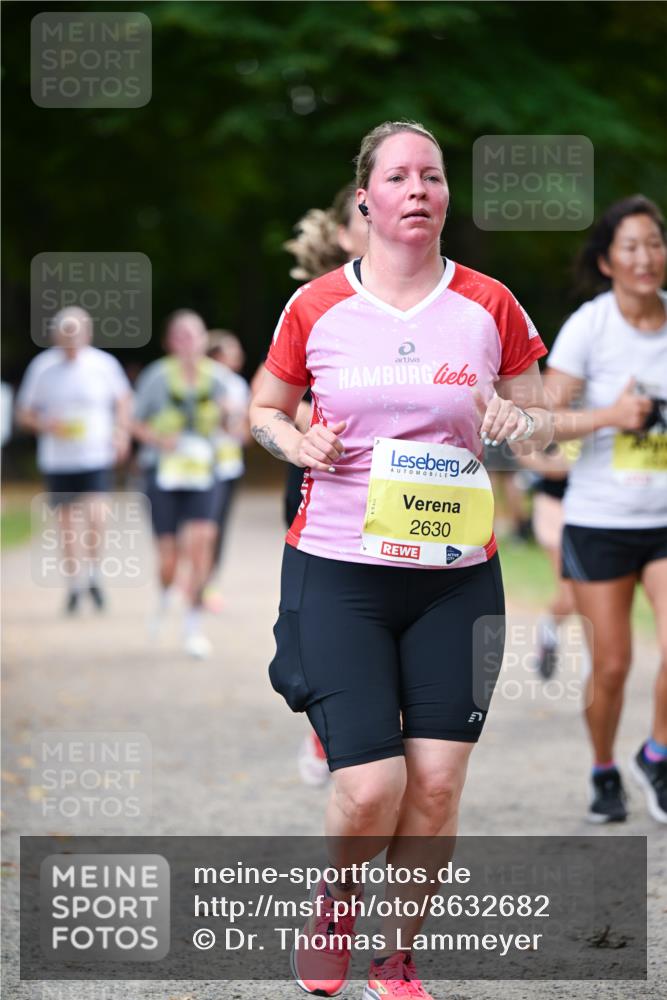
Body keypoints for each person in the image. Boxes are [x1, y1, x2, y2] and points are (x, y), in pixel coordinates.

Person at [250, 120, 552, 1000]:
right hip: (338, 571)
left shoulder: (489, 304)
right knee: (370, 788)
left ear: (445, 195)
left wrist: (521, 422)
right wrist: (294, 441)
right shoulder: (316, 307)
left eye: (432, 175)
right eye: (398, 176)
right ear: (364, 200)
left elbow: (541, 416)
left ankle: (395, 958)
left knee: (437, 786)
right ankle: (338, 898)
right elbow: (262, 408)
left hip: (456, 580)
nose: (418, 188)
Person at [545, 194, 667, 824]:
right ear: (606, 261)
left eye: (655, 243)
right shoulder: (589, 327)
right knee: (613, 665)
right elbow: (544, 422)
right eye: (631, 247)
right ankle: (602, 767)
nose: (646, 257)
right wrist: (611, 416)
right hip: (601, 520)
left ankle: (656, 753)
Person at [282, 183, 369, 787]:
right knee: (339, 616)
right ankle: (328, 725)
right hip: (324, 472)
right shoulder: (314, 303)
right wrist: (315, 430)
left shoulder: (430, 302)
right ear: (343, 235)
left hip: (405, 484)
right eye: (363, 216)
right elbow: (274, 398)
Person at [15, 306, 132, 612]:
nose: (70, 341)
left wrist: (121, 433)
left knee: (97, 515)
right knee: (67, 524)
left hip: (95, 454)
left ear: (87, 334)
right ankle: (75, 584)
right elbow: (24, 413)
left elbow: (123, 400)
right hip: (58, 459)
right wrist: (45, 424)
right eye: (65, 335)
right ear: (55, 336)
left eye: (76, 334)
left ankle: (93, 572)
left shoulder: (103, 364)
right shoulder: (42, 367)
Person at [132, 309, 229, 659]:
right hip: (163, 474)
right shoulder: (156, 377)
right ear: (169, 341)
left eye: (194, 334)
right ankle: (163, 598)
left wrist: (230, 415)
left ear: (204, 339)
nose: (188, 342)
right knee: (169, 558)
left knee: (200, 546)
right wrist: (159, 439)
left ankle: (193, 627)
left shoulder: (218, 379)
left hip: (203, 472)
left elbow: (237, 427)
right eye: (181, 335)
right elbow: (134, 422)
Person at [518, 444, 577, 678]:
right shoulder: (549, 425)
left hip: (597, 514)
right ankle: (548, 629)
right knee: (570, 594)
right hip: (554, 509)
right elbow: (551, 468)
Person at [203, 330, 251, 613]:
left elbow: (245, 431)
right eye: (232, 351)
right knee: (203, 528)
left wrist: (239, 426)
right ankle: (195, 580)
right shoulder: (202, 381)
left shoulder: (238, 385)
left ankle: (210, 583)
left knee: (219, 528)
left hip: (230, 465)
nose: (238, 356)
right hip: (203, 467)